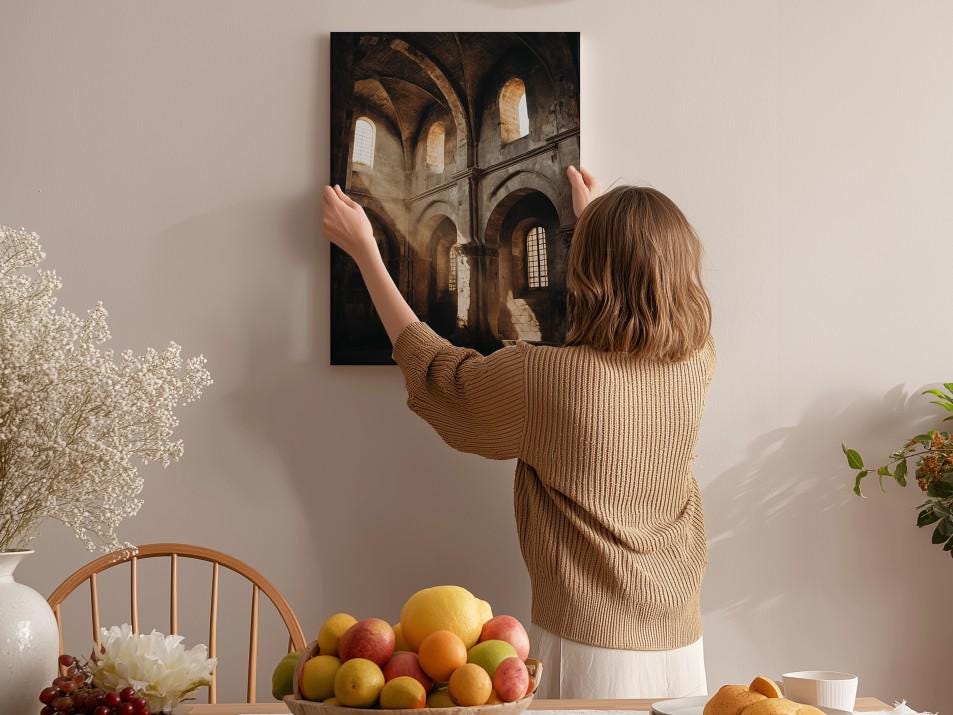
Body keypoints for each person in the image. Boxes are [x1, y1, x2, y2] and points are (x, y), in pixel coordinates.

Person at [321, 166, 715, 699]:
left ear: (586, 270)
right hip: (682, 645)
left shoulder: (545, 378)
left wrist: (366, 250)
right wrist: (594, 221)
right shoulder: (697, 361)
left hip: (589, 646)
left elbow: (441, 373)